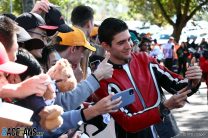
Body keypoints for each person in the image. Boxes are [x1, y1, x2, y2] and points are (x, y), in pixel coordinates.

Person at [93, 17, 202, 138]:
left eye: (129, 39)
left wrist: (194, 81)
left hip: (166, 132)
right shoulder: (102, 79)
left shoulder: (145, 59)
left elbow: (177, 85)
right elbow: (127, 122)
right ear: (106, 46)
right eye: (121, 42)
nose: (129, 45)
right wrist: (164, 107)